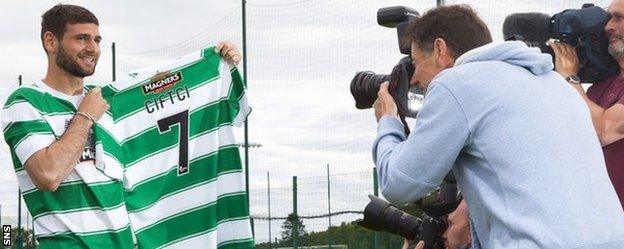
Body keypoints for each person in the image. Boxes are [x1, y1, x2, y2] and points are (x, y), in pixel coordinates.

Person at [372, 4, 624, 249]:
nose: (414, 78)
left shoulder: (455, 83)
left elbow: (399, 183)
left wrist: (389, 120)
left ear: (440, 50)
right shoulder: (555, 83)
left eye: (416, 62)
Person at [1, 4, 241, 248]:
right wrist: (85, 116)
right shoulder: (26, 102)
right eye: (81, 38)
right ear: (51, 42)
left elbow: (167, 99)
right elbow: (48, 175)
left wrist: (215, 63)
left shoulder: (109, 104)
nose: (92, 48)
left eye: (97, 40)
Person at [549, 0, 624, 209]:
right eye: (609, 18)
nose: (608, 27)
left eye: (619, 18)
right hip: (602, 221)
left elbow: (603, 131)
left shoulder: (579, 88)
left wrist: (570, 77)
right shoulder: (597, 89)